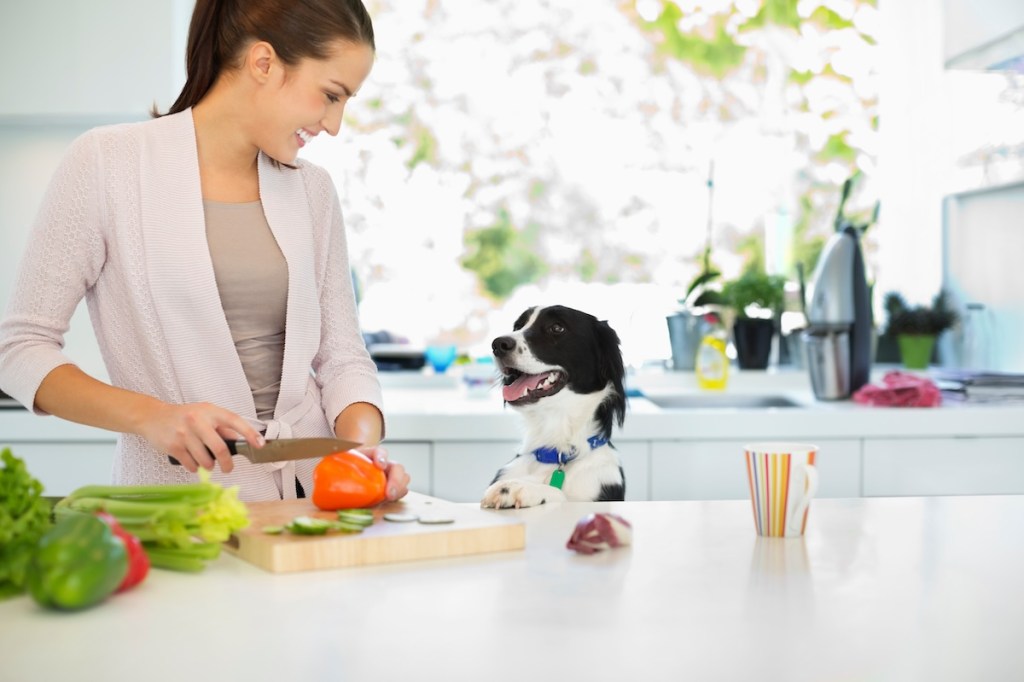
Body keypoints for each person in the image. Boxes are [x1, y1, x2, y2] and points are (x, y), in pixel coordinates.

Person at [0, 0, 410, 503]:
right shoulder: (108, 164)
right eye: (330, 95)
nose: (334, 124)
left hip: (313, 499)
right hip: (178, 509)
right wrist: (153, 417)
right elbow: (20, 349)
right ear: (264, 63)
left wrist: (361, 451)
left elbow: (343, 357)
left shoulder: (312, 192)